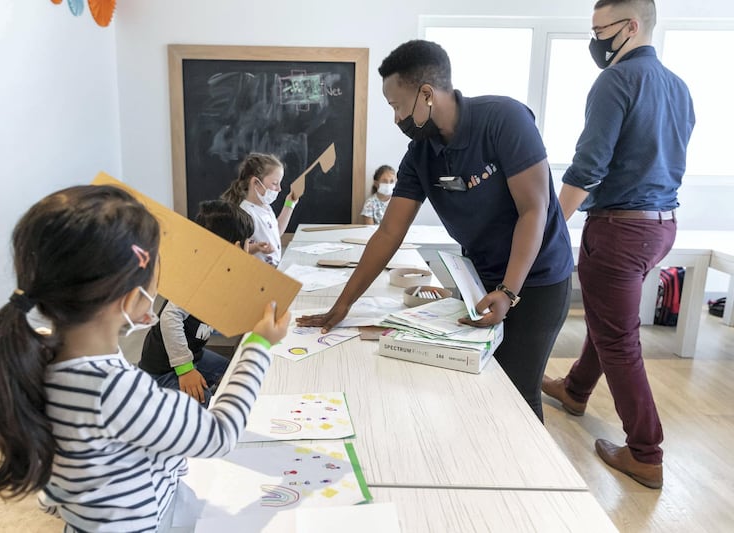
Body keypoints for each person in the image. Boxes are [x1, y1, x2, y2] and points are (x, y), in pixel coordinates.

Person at [0, 185, 289, 531]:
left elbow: (55, 491)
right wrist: (258, 345)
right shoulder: (115, 389)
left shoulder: (38, 365)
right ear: (129, 298)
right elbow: (220, 433)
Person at [297, 39, 574, 421]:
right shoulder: (420, 156)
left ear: (426, 94)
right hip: (481, 279)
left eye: (397, 106)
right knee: (480, 387)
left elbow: (534, 209)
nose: (396, 119)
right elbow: (388, 234)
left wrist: (508, 291)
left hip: (537, 279)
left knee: (516, 395)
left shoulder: (504, 120)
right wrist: (344, 304)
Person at [541, 0, 694, 490]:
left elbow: (587, 166)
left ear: (632, 26)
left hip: (620, 228)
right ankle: (576, 390)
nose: (595, 41)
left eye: (599, 29)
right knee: (610, 318)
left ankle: (645, 453)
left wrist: (550, 228)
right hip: (661, 225)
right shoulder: (678, 87)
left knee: (619, 337)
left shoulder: (616, 81)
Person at [138, 200, 254, 408]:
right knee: (203, 400)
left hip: (194, 355)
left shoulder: (220, 273)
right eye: (249, 243)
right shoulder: (199, 279)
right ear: (237, 247)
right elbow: (169, 317)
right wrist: (185, 369)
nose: (250, 249)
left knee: (230, 373)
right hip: (164, 368)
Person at [220, 152, 300, 267]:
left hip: (273, 269)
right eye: (274, 183)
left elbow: (276, 232)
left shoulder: (265, 207)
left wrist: (289, 205)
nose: (279, 189)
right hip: (258, 274)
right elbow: (238, 248)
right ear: (256, 182)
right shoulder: (246, 213)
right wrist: (256, 247)